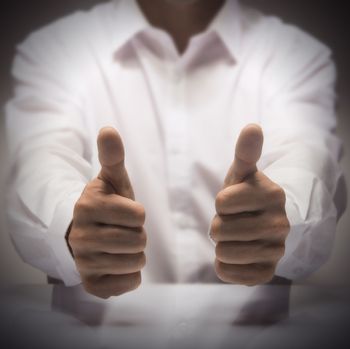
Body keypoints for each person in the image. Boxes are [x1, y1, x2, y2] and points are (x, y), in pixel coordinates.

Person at [5, 0, 343, 299]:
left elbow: (308, 159)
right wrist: (70, 223)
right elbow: (38, 163)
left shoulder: (296, 56)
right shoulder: (57, 50)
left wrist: (283, 218)